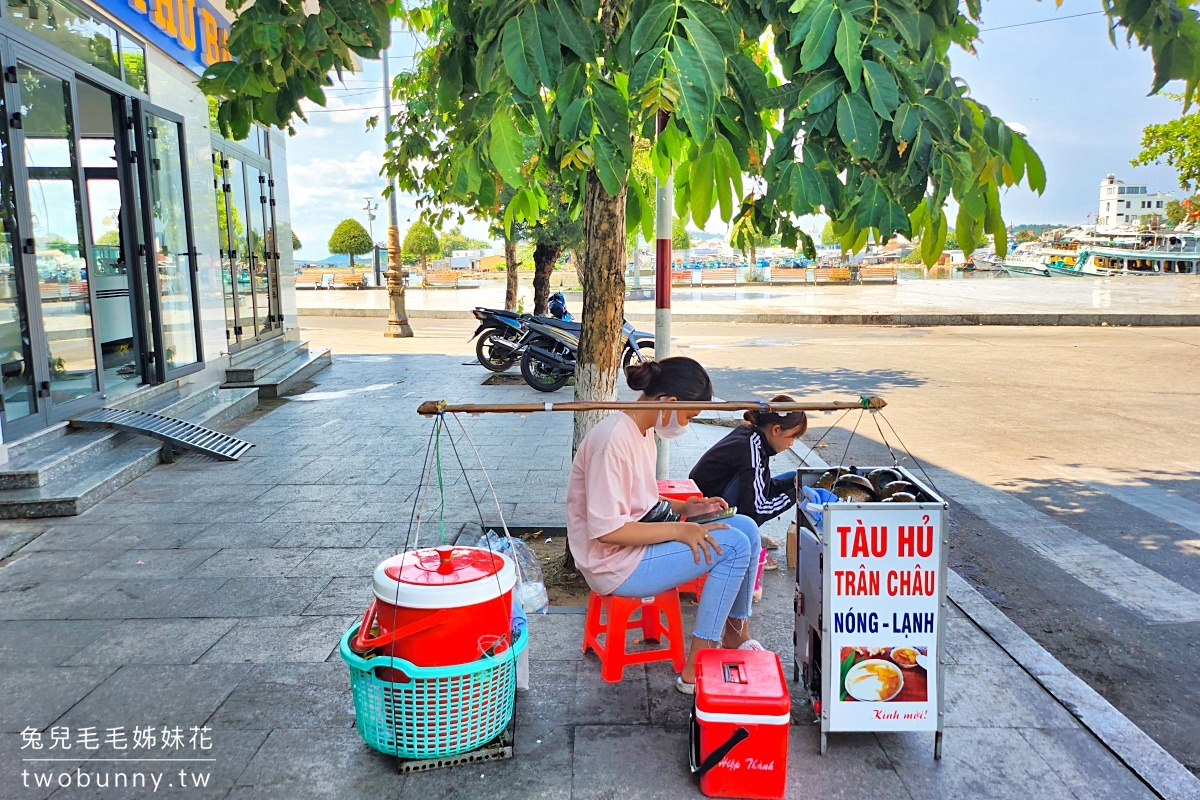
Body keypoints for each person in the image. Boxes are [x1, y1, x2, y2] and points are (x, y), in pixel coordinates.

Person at [566, 357, 764, 694]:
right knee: (733, 546)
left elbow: (642, 502)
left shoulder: (640, 431)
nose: (685, 424)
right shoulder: (613, 440)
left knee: (746, 527)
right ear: (670, 403)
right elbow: (609, 531)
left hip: (634, 548)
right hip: (613, 562)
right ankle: (696, 667)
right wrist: (680, 529)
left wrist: (687, 507)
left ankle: (736, 632)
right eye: (688, 416)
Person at [688, 395, 808, 566]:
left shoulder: (753, 436)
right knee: (778, 493)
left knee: (793, 477)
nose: (792, 443)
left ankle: (749, 535)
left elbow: (762, 487)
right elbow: (757, 510)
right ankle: (745, 542)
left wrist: (793, 485)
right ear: (776, 430)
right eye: (792, 437)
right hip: (708, 515)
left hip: (717, 495)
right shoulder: (750, 448)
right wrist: (795, 495)